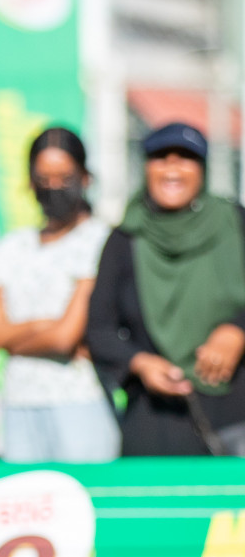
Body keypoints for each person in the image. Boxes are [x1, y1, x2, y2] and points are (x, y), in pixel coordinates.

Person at [87, 122, 245, 456]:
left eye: (185, 157)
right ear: (146, 168)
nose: (172, 167)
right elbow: (100, 329)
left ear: (201, 169)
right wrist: (141, 362)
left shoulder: (235, 221)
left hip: (235, 410)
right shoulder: (125, 238)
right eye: (161, 157)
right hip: (156, 416)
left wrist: (237, 330)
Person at [0, 127, 118, 463]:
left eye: (64, 177)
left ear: (85, 178)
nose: (53, 187)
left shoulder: (102, 241)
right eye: (43, 178)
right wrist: (38, 328)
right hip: (18, 402)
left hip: (81, 400)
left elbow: (65, 337)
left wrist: (9, 338)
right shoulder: (14, 246)